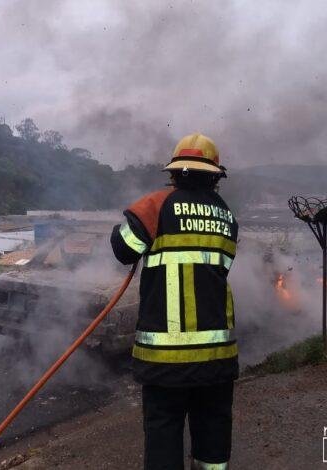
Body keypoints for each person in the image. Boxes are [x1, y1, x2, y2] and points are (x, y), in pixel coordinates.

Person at [111, 133, 239, 469]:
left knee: (164, 430)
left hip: (164, 357)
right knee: (213, 428)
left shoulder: (155, 205)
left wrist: (123, 225)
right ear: (215, 176)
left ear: (174, 173)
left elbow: (123, 250)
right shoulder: (227, 217)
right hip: (216, 354)